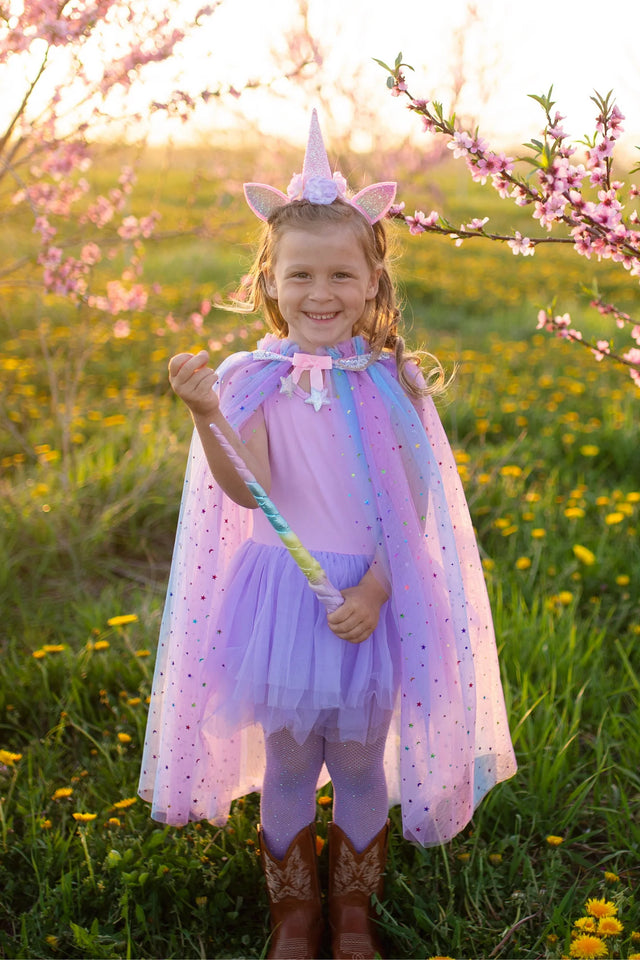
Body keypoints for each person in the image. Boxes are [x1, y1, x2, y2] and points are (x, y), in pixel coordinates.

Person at [138, 111, 517, 960]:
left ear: (375, 283)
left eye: (342, 275)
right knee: (285, 763)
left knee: (355, 760)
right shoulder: (253, 378)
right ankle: (292, 914)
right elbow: (250, 491)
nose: (321, 294)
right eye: (300, 275)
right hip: (283, 597)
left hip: (373, 594)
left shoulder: (395, 382)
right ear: (269, 283)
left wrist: (380, 585)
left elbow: (412, 503)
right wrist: (208, 417)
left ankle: (351, 912)